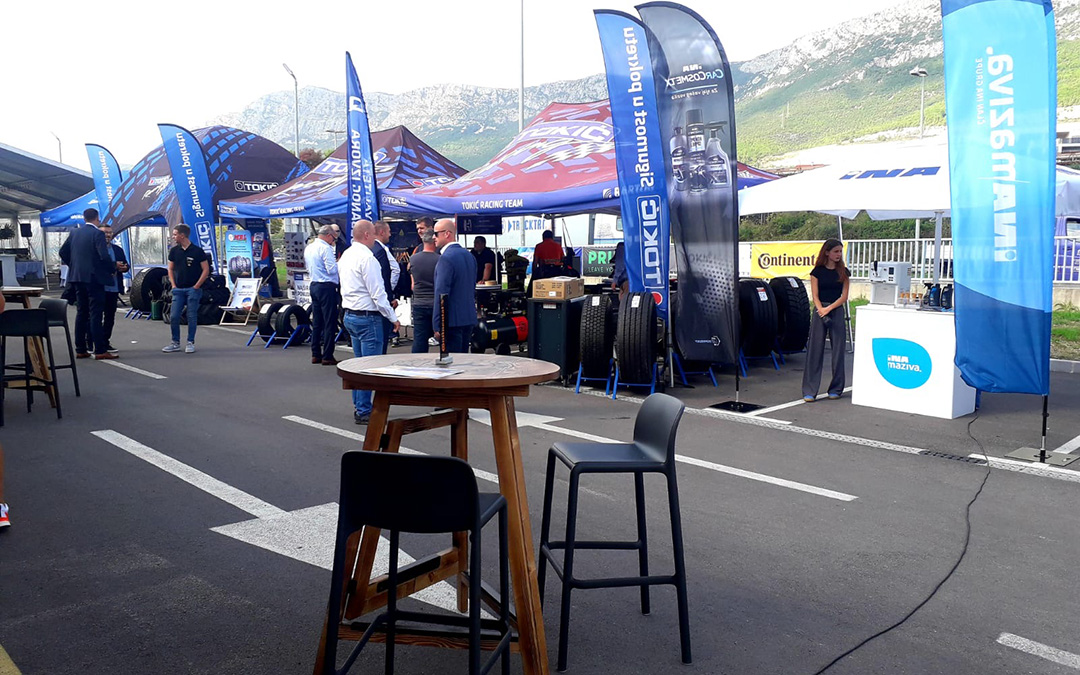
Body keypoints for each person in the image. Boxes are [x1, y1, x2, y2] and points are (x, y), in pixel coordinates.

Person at [339, 220, 399, 424]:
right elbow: (378, 294)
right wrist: (392, 317)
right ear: (366, 235)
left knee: (358, 365)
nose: (375, 238)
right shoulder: (368, 259)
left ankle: (359, 405)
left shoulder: (346, 255)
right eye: (373, 234)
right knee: (369, 367)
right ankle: (364, 410)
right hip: (368, 316)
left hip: (350, 313)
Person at [58, 208, 117, 360]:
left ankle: (80, 348)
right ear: (97, 218)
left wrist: (74, 265)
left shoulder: (74, 233)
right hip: (94, 278)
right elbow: (103, 255)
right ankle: (100, 350)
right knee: (96, 313)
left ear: (84, 218)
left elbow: (63, 251)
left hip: (77, 277)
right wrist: (111, 268)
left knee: (82, 312)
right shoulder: (97, 234)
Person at [802, 238, 850, 402]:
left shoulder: (843, 272)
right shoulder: (817, 272)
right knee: (815, 350)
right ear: (827, 252)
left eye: (840, 251)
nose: (838, 254)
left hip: (836, 310)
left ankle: (836, 388)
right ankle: (810, 390)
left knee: (838, 350)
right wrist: (821, 309)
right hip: (819, 310)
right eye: (836, 251)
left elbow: (844, 296)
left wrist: (829, 309)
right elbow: (815, 295)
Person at [162, 224, 210, 354]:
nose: (173, 237)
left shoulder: (197, 251)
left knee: (191, 316)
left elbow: (206, 269)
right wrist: (173, 285)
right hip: (178, 289)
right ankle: (175, 342)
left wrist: (197, 286)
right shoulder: (174, 251)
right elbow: (170, 269)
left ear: (182, 235)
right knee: (174, 316)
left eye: (175, 234)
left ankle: (190, 342)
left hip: (193, 289)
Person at [432, 218, 477, 353]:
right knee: (464, 359)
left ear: (447, 234)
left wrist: (437, 324)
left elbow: (441, 293)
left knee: (451, 362)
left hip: (451, 321)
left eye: (436, 233)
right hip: (468, 317)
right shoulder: (469, 256)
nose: (433, 237)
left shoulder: (446, 258)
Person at [304, 224, 340, 366]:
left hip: (314, 284)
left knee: (317, 321)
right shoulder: (326, 248)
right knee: (329, 321)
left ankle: (315, 353)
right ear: (329, 235)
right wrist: (339, 264)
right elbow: (331, 270)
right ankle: (327, 355)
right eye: (333, 238)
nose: (333, 241)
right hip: (326, 286)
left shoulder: (309, 247)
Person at [93, 225, 129, 354]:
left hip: (113, 288)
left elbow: (125, 264)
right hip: (99, 287)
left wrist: (124, 267)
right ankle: (92, 341)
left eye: (109, 233)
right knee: (96, 316)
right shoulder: (95, 249)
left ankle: (105, 341)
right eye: (104, 233)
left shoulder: (117, 249)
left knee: (110, 317)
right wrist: (114, 266)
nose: (107, 235)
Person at [408, 228, 438, 353]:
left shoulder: (413, 259)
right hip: (436, 304)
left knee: (419, 339)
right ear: (434, 241)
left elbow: (412, 284)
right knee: (443, 337)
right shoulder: (440, 259)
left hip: (419, 303)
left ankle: (417, 362)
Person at [371, 221, 399, 353]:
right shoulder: (382, 250)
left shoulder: (359, 251)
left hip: (360, 304)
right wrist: (389, 293)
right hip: (379, 298)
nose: (390, 234)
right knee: (380, 340)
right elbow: (394, 270)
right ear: (382, 232)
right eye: (388, 231)